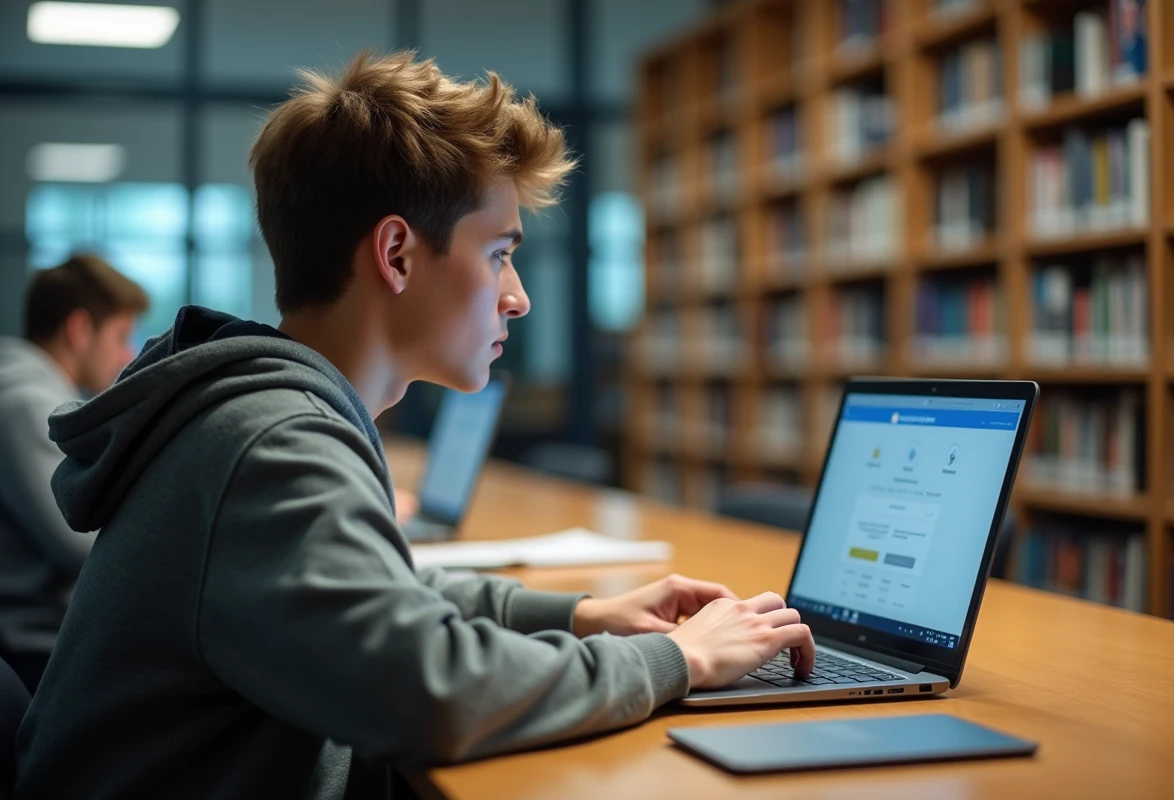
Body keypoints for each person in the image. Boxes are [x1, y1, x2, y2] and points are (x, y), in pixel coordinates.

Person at [14, 51, 816, 798]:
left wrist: (579, 614)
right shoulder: (269, 441)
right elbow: (430, 690)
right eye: (500, 253)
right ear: (396, 253)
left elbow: (381, 596)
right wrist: (678, 657)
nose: (518, 296)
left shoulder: (264, 411)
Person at [0, 254, 147, 691]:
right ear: (79, 330)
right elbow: (85, 544)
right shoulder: (29, 404)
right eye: (121, 336)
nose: (129, 354)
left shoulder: (31, 392)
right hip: (36, 652)